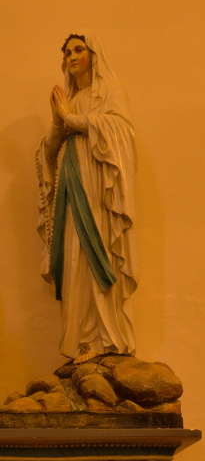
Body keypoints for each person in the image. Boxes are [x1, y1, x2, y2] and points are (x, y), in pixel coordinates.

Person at [36, 32, 137, 364]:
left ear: (94, 54)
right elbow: (50, 150)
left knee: (96, 252)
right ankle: (80, 339)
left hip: (97, 190)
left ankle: (104, 338)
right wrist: (58, 122)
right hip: (70, 186)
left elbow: (122, 133)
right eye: (67, 53)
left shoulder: (110, 92)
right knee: (72, 257)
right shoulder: (71, 99)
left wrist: (72, 120)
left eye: (79, 49)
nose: (72, 57)